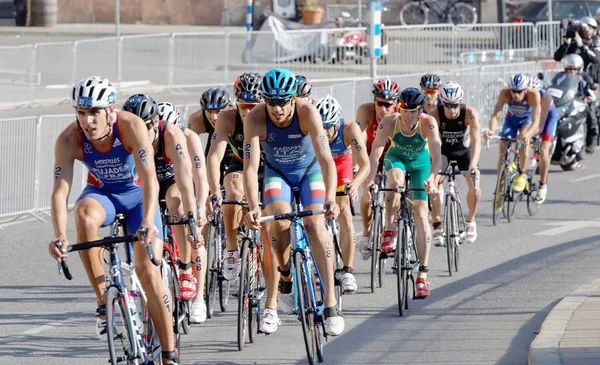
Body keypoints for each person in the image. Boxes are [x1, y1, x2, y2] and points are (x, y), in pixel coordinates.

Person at [47, 76, 179, 364]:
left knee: (148, 273)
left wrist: (147, 220)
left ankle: (170, 353)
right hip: (103, 194)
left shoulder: (130, 125)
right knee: (82, 213)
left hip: (138, 197)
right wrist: (59, 235)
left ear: (110, 110)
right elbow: (60, 190)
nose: (87, 121)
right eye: (81, 113)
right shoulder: (70, 139)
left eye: (94, 112)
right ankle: (102, 298)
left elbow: (149, 177)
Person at [242, 68, 345, 336]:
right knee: (277, 217)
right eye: (271, 102)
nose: (277, 109)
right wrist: (253, 206)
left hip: (309, 171)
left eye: (283, 102)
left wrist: (332, 198)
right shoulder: (255, 117)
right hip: (279, 174)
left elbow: (325, 159)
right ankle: (286, 274)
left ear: (292, 99)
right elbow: (251, 168)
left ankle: (331, 304)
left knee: (314, 224)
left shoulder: (307, 112)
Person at [364, 87, 441, 299]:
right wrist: (370, 180)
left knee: (421, 215)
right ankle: (389, 229)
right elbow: (376, 151)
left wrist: (432, 180)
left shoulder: (429, 123)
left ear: (420, 111)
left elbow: (436, 155)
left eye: (413, 111)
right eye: (404, 111)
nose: (407, 116)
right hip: (396, 156)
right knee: (395, 181)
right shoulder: (389, 121)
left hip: (420, 164)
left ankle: (423, 275)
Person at [157, 102, 210, 322]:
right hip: (155, 183)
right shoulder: (148, 138)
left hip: (181, 186)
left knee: (194, 236)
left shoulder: (189, 138)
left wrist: (199, 206)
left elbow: (199, 177)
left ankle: (199, 298)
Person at [314, 94, 370, 294]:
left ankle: (347, 271)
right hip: (319, 166)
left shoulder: (349, 129)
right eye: (321, 127)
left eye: (329, 127)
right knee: (313, 214)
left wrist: (355, 184)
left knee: (345, 211)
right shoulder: (312, 127)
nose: (325, 133)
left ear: (336, 122)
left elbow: (365, 164)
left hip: (341, 165)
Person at [427, 82, 481, 245]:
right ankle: (437, 224)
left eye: (455, 105)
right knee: (433, 183)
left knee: (475, 185)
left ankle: (470, 221)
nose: (451, 110)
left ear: (460, 101)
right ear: (442, 102)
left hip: (463, 150)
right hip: (442, 151)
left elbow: (476, 140)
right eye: (448, 105)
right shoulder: (434, 114)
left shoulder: (469, 113)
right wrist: (435, 170)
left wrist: (473, 166)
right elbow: (432, 143)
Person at [355, 79, 399, 259]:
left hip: (393, 153)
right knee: (366, 187)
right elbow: (358, 139)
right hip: (371, 152)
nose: (383, 108)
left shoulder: (399, 115)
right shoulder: (365, 110)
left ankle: (396, 227)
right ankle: (367, 232)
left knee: (397, 186)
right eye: (380, 103)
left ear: (395, 104)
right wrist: (356, 165)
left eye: (388, 104)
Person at [484, 73, 541, 198]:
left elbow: (536, 121)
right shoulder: (505, 94)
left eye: (519, 92)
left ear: (525, 90)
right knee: (503, 149)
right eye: (513, 91)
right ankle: (500, 188)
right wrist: (491, 130)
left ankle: (522, 173)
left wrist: (528, 135)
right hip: (511, 120)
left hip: (526, 120)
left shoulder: (533, 95)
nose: (515, 95)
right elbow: (495, 114)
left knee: (524, 138)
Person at [527, 76, 557, 204]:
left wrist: (531, 134)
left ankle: (542, 185)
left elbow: (540, 123)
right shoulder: (523, 96)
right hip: (533, 117)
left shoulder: (545, 97)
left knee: (543, 151)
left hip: (548, 118)